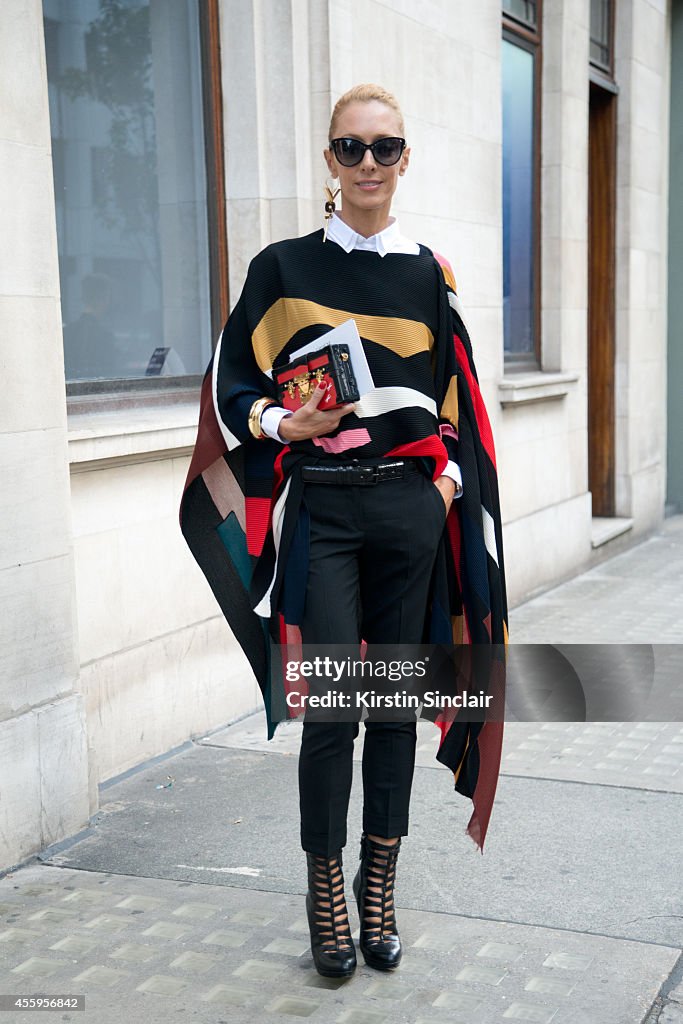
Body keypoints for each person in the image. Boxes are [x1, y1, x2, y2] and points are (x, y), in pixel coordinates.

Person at [179, 83, 508, 981]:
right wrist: (280, 428)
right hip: (320, 507)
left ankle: (378, 889)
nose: (369, 164)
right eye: (352, 148)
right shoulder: (281, 269)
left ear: (405, 159)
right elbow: (230, 386)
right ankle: (323, 891)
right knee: (332, 707)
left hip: (407, 511)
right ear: (329, 161)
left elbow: (454, 402)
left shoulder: (426, 274)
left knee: (393, 705)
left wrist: (442, 485)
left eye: (385, 147)